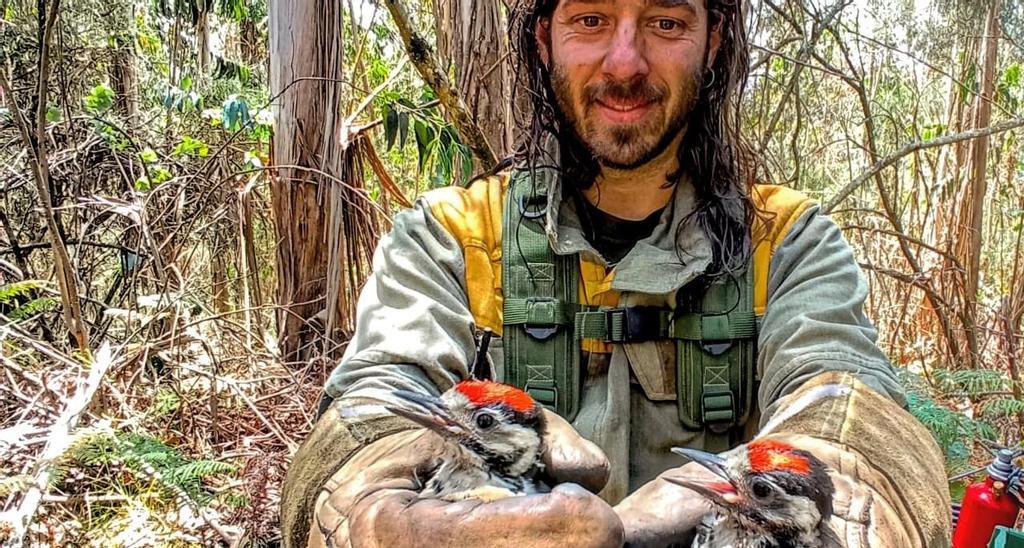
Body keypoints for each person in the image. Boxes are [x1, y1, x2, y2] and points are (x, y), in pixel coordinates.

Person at [280, 0, 951, 544]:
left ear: (713, 40)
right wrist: (364, 507)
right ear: (545, 39)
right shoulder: (448, 237)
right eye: (592, 19)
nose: (625, 63)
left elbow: (844, 398)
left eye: (665, 22)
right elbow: (373, 397)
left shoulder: (790, 242)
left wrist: (858, 500)